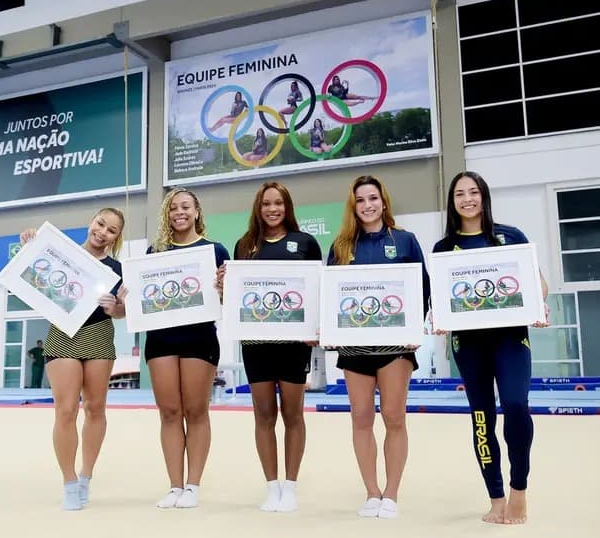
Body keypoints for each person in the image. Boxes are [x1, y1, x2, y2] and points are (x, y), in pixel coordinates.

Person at [432, 171, 549, 525]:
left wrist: (538, 306)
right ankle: (496, 498)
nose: (467, 199)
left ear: (483, 196)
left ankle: (519, 490)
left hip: (510, 339)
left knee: (516, 405)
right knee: (482, 417)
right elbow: (439, 300)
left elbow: (538, 284)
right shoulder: (443, 248)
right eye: (459, 194)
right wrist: (438, 316)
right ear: (452, 202)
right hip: (469, 345)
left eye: (473, 192)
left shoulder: (510, 237)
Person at [326, 175, 430, 519]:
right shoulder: (341, 246)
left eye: (373, 198)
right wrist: (330, 329)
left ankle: (392, 494)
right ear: (353, 206)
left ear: (384, 202)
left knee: (394, 417)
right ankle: (372, 493)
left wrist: (415, 326)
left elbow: (422, 288)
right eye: (360, 200)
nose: (367, 205)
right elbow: (331, 295)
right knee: (361, 418)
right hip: (354, 348)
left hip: (395, 347)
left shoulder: (405, 241)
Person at [216, 181, 322, 512]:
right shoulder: (245, 245)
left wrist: (316, 328)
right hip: (256, 343)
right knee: (263, 414)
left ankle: (291, 487)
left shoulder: (305, 243)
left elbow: (317, 291)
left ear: (287, 207)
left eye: (278, 203)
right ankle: (271, 486)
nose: (272, 209)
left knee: (292, 413)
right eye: (266, 204)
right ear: (258, 208)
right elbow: (236, 299)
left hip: (294, 344)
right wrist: (223, 289)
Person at [20, 207, 126, 511]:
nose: (102, 232)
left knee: (94, 407)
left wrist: (116, 308)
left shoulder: (117, 270)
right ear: (91, 222)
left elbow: (123, 311)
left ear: (117, 237)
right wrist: (31, 245)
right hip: (63, 332)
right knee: (66, 410)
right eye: (100, 224)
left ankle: (85, 477)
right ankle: (68, 481)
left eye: (111, 230)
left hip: (98, 334)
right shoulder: (59, 252)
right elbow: (33, 275)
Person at [144, 188, 230, 509]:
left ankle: (192, 486)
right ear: (167, 215)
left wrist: (225, 288)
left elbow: (228, 298)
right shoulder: (154, 252)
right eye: (173, 208)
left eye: (185, 207)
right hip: (161, 339)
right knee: (169, 412)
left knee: (196, 410)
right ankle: (174, 486)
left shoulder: (215, 250)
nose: (179, 212)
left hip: (199, 338)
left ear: (196, 212)